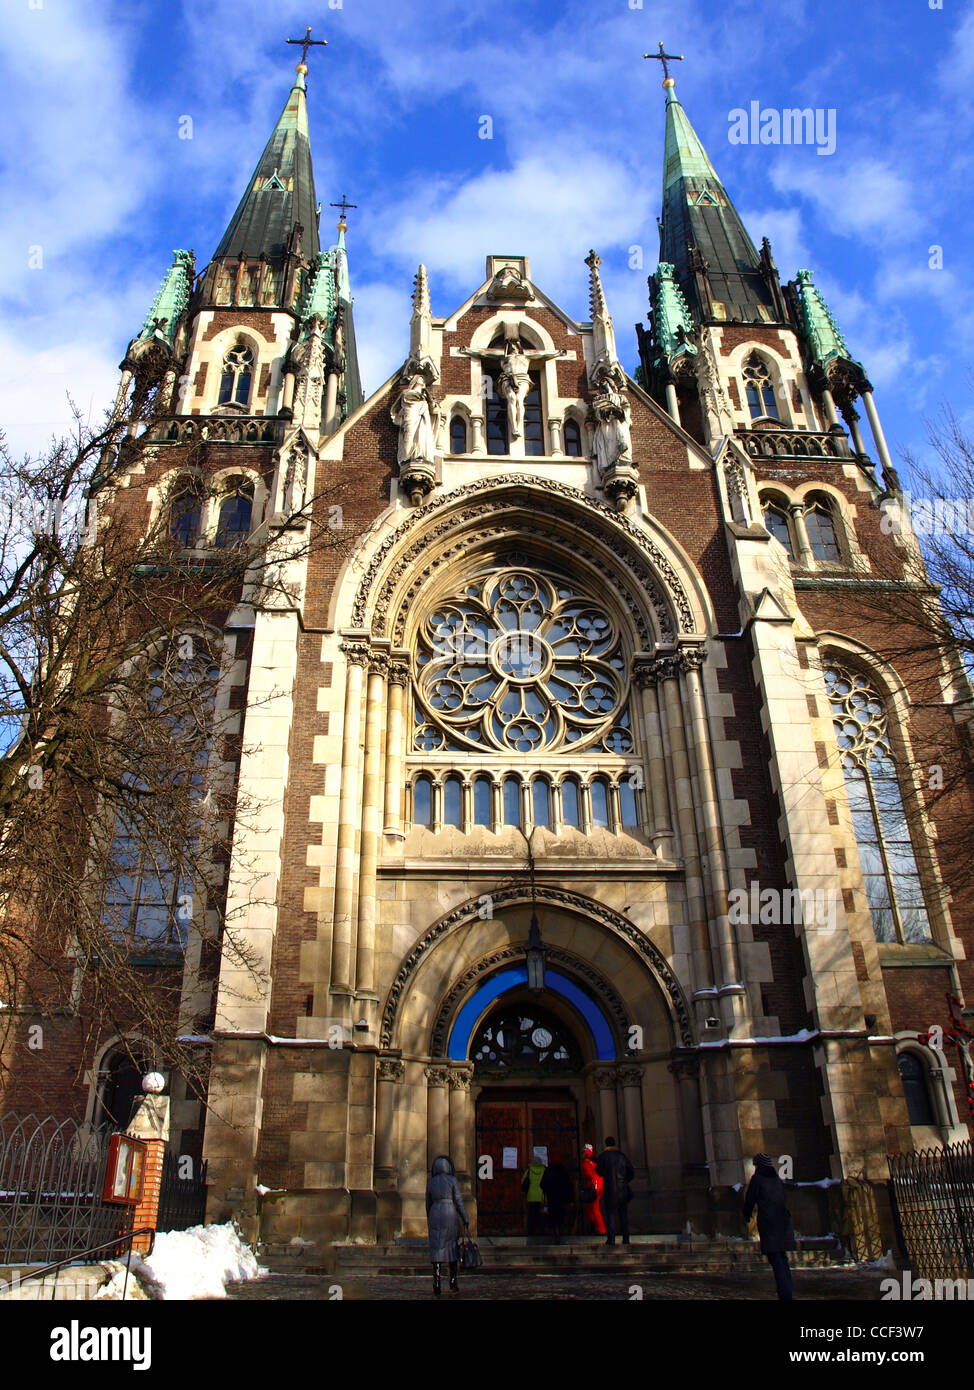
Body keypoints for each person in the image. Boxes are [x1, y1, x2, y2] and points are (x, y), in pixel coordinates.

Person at [742, 1153, 796, 1300]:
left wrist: (746, 1214)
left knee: (776, 1259)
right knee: (782, 1258)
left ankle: (784, 1293)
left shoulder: (758, 1179)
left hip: (769, 1223)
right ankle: (788, 1290)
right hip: (783, 1222)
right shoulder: (776, 1179)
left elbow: (750, 1199)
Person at [425, 1154, 469, 1296]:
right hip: (449, 1213)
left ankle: (436, 1281)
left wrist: (430, 1217)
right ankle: (453, 1281)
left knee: (436, 1248)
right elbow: (458, 1201)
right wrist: (465, 1217)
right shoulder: (452, 1180)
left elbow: (427, 1204)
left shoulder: (431, 1183)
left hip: (435, 1213)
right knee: (451, 1248)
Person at [596, 1136, 634, 1246]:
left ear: (606, 1144)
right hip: (622, 1190)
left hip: (610, 1189)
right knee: (623, 1215)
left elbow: (598, 1171)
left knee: (610, 1215)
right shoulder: (622, 1156)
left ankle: (611, 1239)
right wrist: (624, 1180)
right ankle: (626, 1238)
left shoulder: (603, 1157)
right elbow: (631, 1172)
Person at [540, 1153, 574, 1244]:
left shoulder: (548, 1170)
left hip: (552, 1197)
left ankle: (556, 1234)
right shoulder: (563, 1171)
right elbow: (569, 1185)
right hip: (562, 1198)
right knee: (561, 1216)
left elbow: (542, 1184)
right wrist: (570, 1199)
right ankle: (560, 1234)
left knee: (553, 1216)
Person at [581, 1142, 606, 1236]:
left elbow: (587, 1174)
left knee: (594, 1209)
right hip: (599, 1185)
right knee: (593, 1208)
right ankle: (594, 1228)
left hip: (592, 1187)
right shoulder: (596, 1161)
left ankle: (601, 1230)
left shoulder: (587, 1162)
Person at [521, 1153, 547, 1237]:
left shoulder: (529, 1170)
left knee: (532, 1214)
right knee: (542, 1214)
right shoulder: (544, 1170)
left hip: (531, 1195)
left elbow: (523, 1181)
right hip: (541, 1195)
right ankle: (542, 1231)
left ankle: (531, 1231)